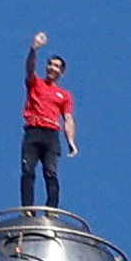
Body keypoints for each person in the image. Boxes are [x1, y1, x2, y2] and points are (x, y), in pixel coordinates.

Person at [21, 34, 77, 208]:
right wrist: (34, 49)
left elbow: (68, 118)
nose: (52, 68)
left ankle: (52, 209)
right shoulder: (36, 83)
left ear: (62, 72)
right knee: (28, 169)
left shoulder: (64, 95)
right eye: (50, 64)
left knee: (50, 172)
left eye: (57, 66)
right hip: (33, 131)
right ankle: (28, 208)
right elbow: (30, 69)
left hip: (51, 134)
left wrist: (71, 141)